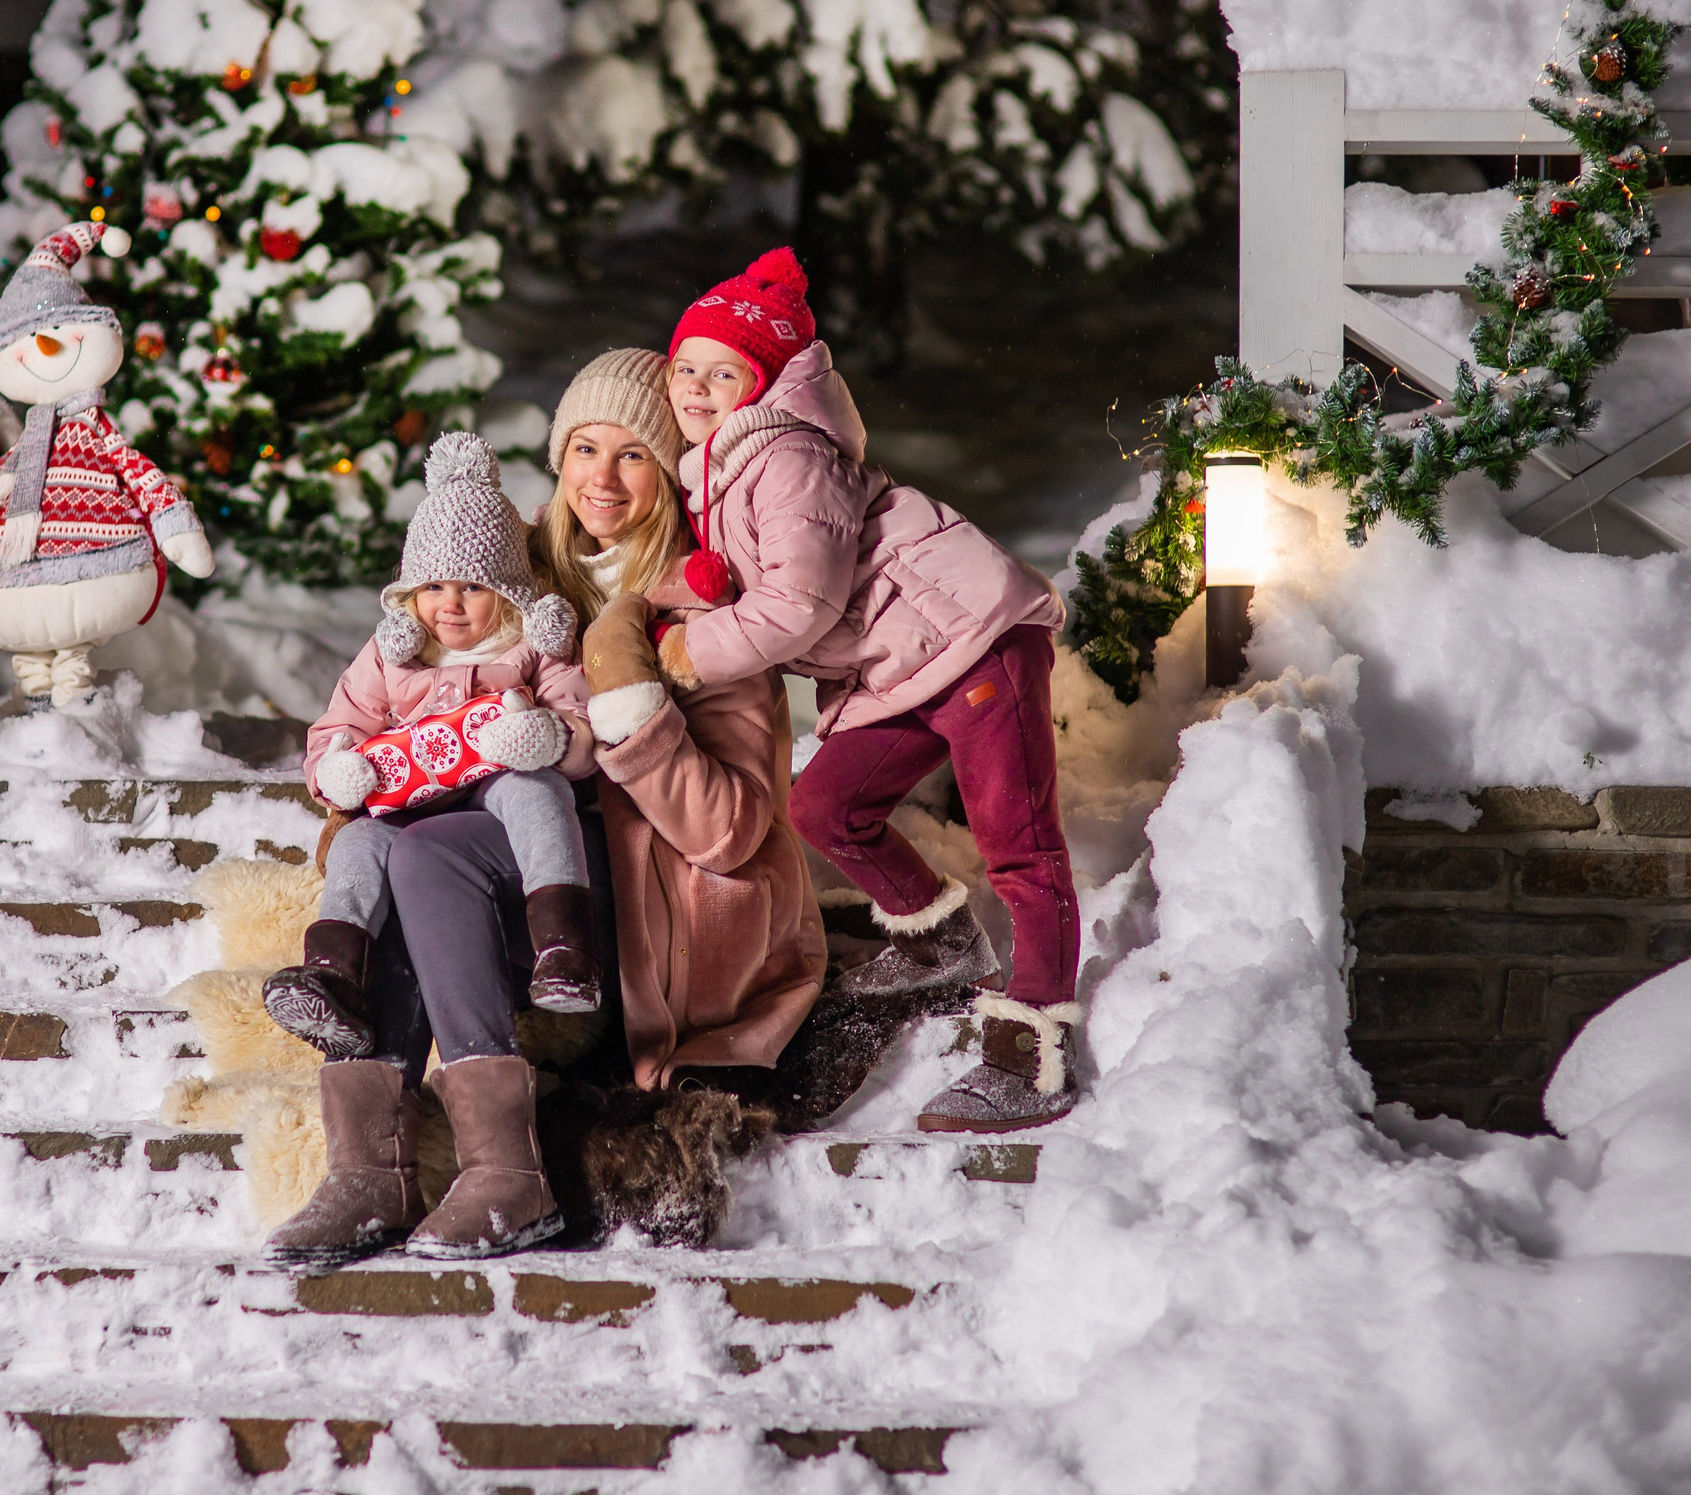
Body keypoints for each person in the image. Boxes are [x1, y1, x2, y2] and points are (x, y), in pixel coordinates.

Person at [653, 250, 1085, 1134]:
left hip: (973, 641)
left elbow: (800, 601)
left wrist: (691, 651)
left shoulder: (788, 454)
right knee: (827, 806)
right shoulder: (720, 463)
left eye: (721, 371)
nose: (697, 387)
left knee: (1018, 841)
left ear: (764, 379)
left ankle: (1033, 1045)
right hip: (897, 662)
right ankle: (936, 940)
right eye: (685, 367)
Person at [261, 433, 594, 1271]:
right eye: (433, 587)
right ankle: (367, 1164)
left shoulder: (532, 646)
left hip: (504, 821)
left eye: (473, 587)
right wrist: (341, 764)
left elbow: (584, 734)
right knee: (370, 847)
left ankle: (507, 1165)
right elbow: (338, 726)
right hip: (408, 815)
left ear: (509, 594)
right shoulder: (393, 655)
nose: (451, 605)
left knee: (488, 815)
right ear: (408, 595)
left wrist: (541, 734)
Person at [536, 347, 827, 1090]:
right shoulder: (523, 577)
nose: (600, 479)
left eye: (632, 455)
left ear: (670, 476)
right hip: (544, 878)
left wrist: (628, 688)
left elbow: (726, 831)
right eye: (584, 448)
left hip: (665, 928)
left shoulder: (706, 607)